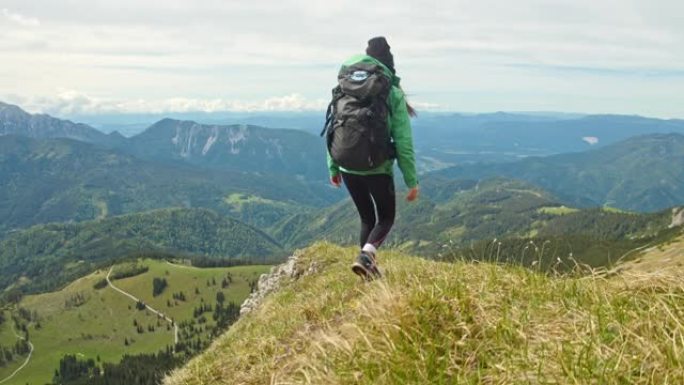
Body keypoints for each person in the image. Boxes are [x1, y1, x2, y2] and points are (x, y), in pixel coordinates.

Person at [327, 36, 419, 280]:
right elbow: (403, 142)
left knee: (367, 218)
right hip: (377, 167)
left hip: (347, 165)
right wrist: (411, 181)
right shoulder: (392, 92)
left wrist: (333, 166)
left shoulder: (344, 86)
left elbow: (333, 127)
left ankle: (367, 270)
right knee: (386, 218)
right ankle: (366, 257)